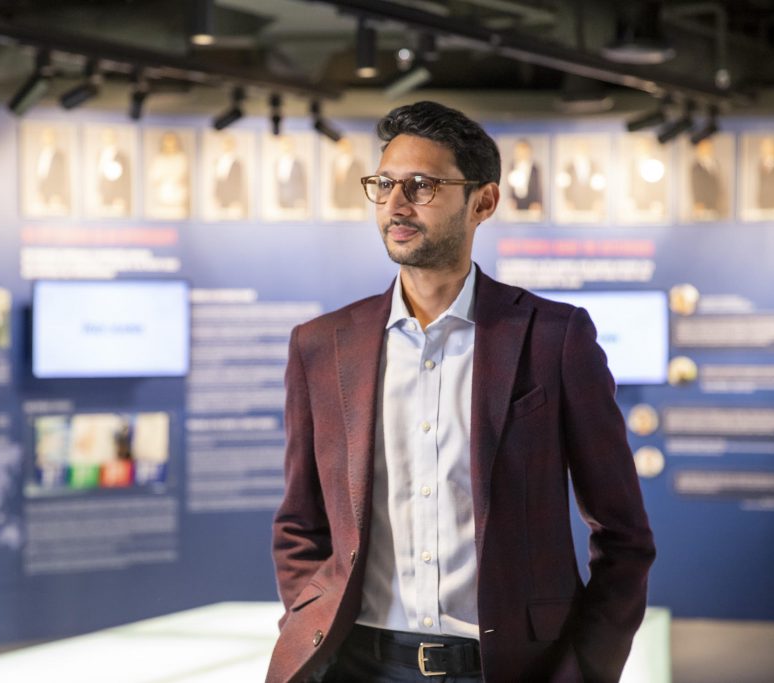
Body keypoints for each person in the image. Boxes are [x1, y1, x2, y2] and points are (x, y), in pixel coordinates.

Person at [268, 101, 655, 683]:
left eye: (422, 186)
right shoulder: (322, 346)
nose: (396, 204)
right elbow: (300, 525)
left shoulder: (554, 339)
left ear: (483, 202)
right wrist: (310, 621)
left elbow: (623, 535)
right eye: (384, 184)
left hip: (508, 669)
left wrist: (583, 670)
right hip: (356, 666)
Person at [505, 137, 542, 216]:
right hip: (516, 204)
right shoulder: (512, 166)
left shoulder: (535, 168)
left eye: (524, 150)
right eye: (519, 151)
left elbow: (538, 187)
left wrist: (537, 202)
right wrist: (510, 200)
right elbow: (510, 187)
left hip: (531, 204)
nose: (521, 153)